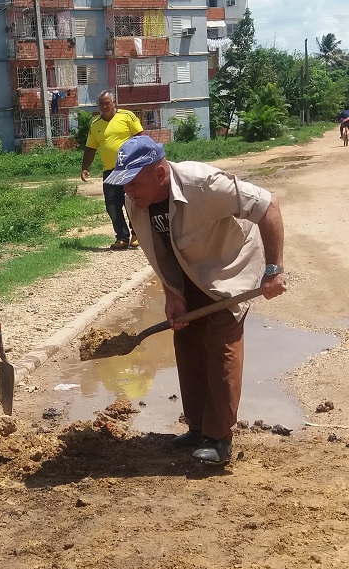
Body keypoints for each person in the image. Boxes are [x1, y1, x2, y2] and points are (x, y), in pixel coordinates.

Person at [104, 135, 287, 465]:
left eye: (133, 181)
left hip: (230, 265)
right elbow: (157, 252)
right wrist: (172, 294)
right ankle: (199, 428)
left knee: (221, 343)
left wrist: (274, 269)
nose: (127, 190)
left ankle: (219, 438)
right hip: (188, 268)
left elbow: (267, 206)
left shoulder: (204, 184)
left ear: (160, 174)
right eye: (124, 183)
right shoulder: (136, 202)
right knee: (186, 337)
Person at [80, 90, 143, 250]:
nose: (105, 106)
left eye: (107, 103)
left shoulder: (127, 116)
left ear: (114, 103)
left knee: (132, 202)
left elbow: (141, 137)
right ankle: (122, 237)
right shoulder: (95, 125)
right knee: (112, 205)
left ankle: (137, 234)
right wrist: (85, 167)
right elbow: (90, 148)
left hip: (130, 167)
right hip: (110, 171)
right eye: (101, 103)